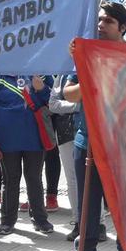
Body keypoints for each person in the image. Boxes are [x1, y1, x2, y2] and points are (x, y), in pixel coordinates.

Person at [62, 2, 126, 251]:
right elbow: (68, 94)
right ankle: (86, 250)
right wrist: (89, 76)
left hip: (121, 143)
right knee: (87, 201)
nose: (101, 25)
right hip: (86, 140)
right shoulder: (85, 53)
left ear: (123, 27)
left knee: (121, 203)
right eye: (100, 20)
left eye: (109, 21)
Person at [0, 73, 55, 235]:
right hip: (7, 137)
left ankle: (40, 219)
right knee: (10, 178)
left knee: (34, 177)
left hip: (35, 136)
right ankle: (7, 220)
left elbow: (53, 103)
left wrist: (42, 89)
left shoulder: (42, 74)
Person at [50, 73, 81, 241]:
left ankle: (99, 224)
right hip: (66, 132)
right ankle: (78, 222)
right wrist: (79, 106)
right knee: (73, 180)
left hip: (91, 131)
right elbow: (53, 104)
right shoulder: (62, 75)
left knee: (94, 179)